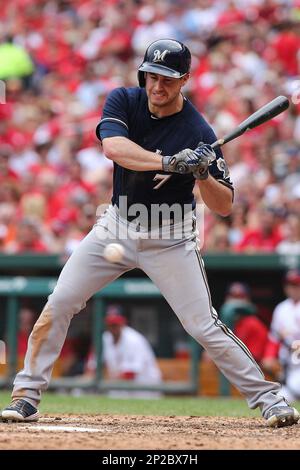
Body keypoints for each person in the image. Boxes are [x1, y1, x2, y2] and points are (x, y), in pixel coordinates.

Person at [1, 39, 298, 428]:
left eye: (168, 80)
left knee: (203, 325)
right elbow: (114, 148)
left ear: (185, 81)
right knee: (59, 303)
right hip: (116, 225)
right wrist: (169, 161)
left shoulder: (198, 130)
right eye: (152, 76)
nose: (158, 86)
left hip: (171, 236)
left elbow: (224, 205)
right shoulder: (124, 100)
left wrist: (204, 172)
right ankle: (26, 395)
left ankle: (270, 398)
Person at [85, 305, 162, 398]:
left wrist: (105, 380)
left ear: (123, 323)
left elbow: (130, 375)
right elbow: (92, 368)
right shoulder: (104, 339)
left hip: (145, 390)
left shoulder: (134, 340)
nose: (113, 327)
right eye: (110, 324)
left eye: (115, 324)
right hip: (119, 387)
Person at [262, 270, 300, 403]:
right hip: (288, 366)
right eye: (290, 285)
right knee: (279, 400)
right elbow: (274, 337)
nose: (292, 289)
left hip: (297, 363)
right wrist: (269, 356)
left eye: (296, 285)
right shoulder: (281, 308)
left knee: (294, 387)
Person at [220, 282, 268, 364]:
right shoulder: (220, 322)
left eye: (240, 297)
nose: (236, 301)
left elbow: (254, 358)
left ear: (248, 300)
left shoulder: (254, 324)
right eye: (233, 296)